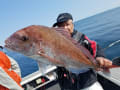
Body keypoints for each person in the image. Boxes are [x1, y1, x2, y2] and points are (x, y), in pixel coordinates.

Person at [52, 13, 112, 90]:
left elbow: (95, 46)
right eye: (61, 26)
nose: (64, 28)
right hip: (68, 85)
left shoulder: (81, 38)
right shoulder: (55, 42)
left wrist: (99, 57)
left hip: (87, 83)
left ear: (72, 25)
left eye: (67, 24)